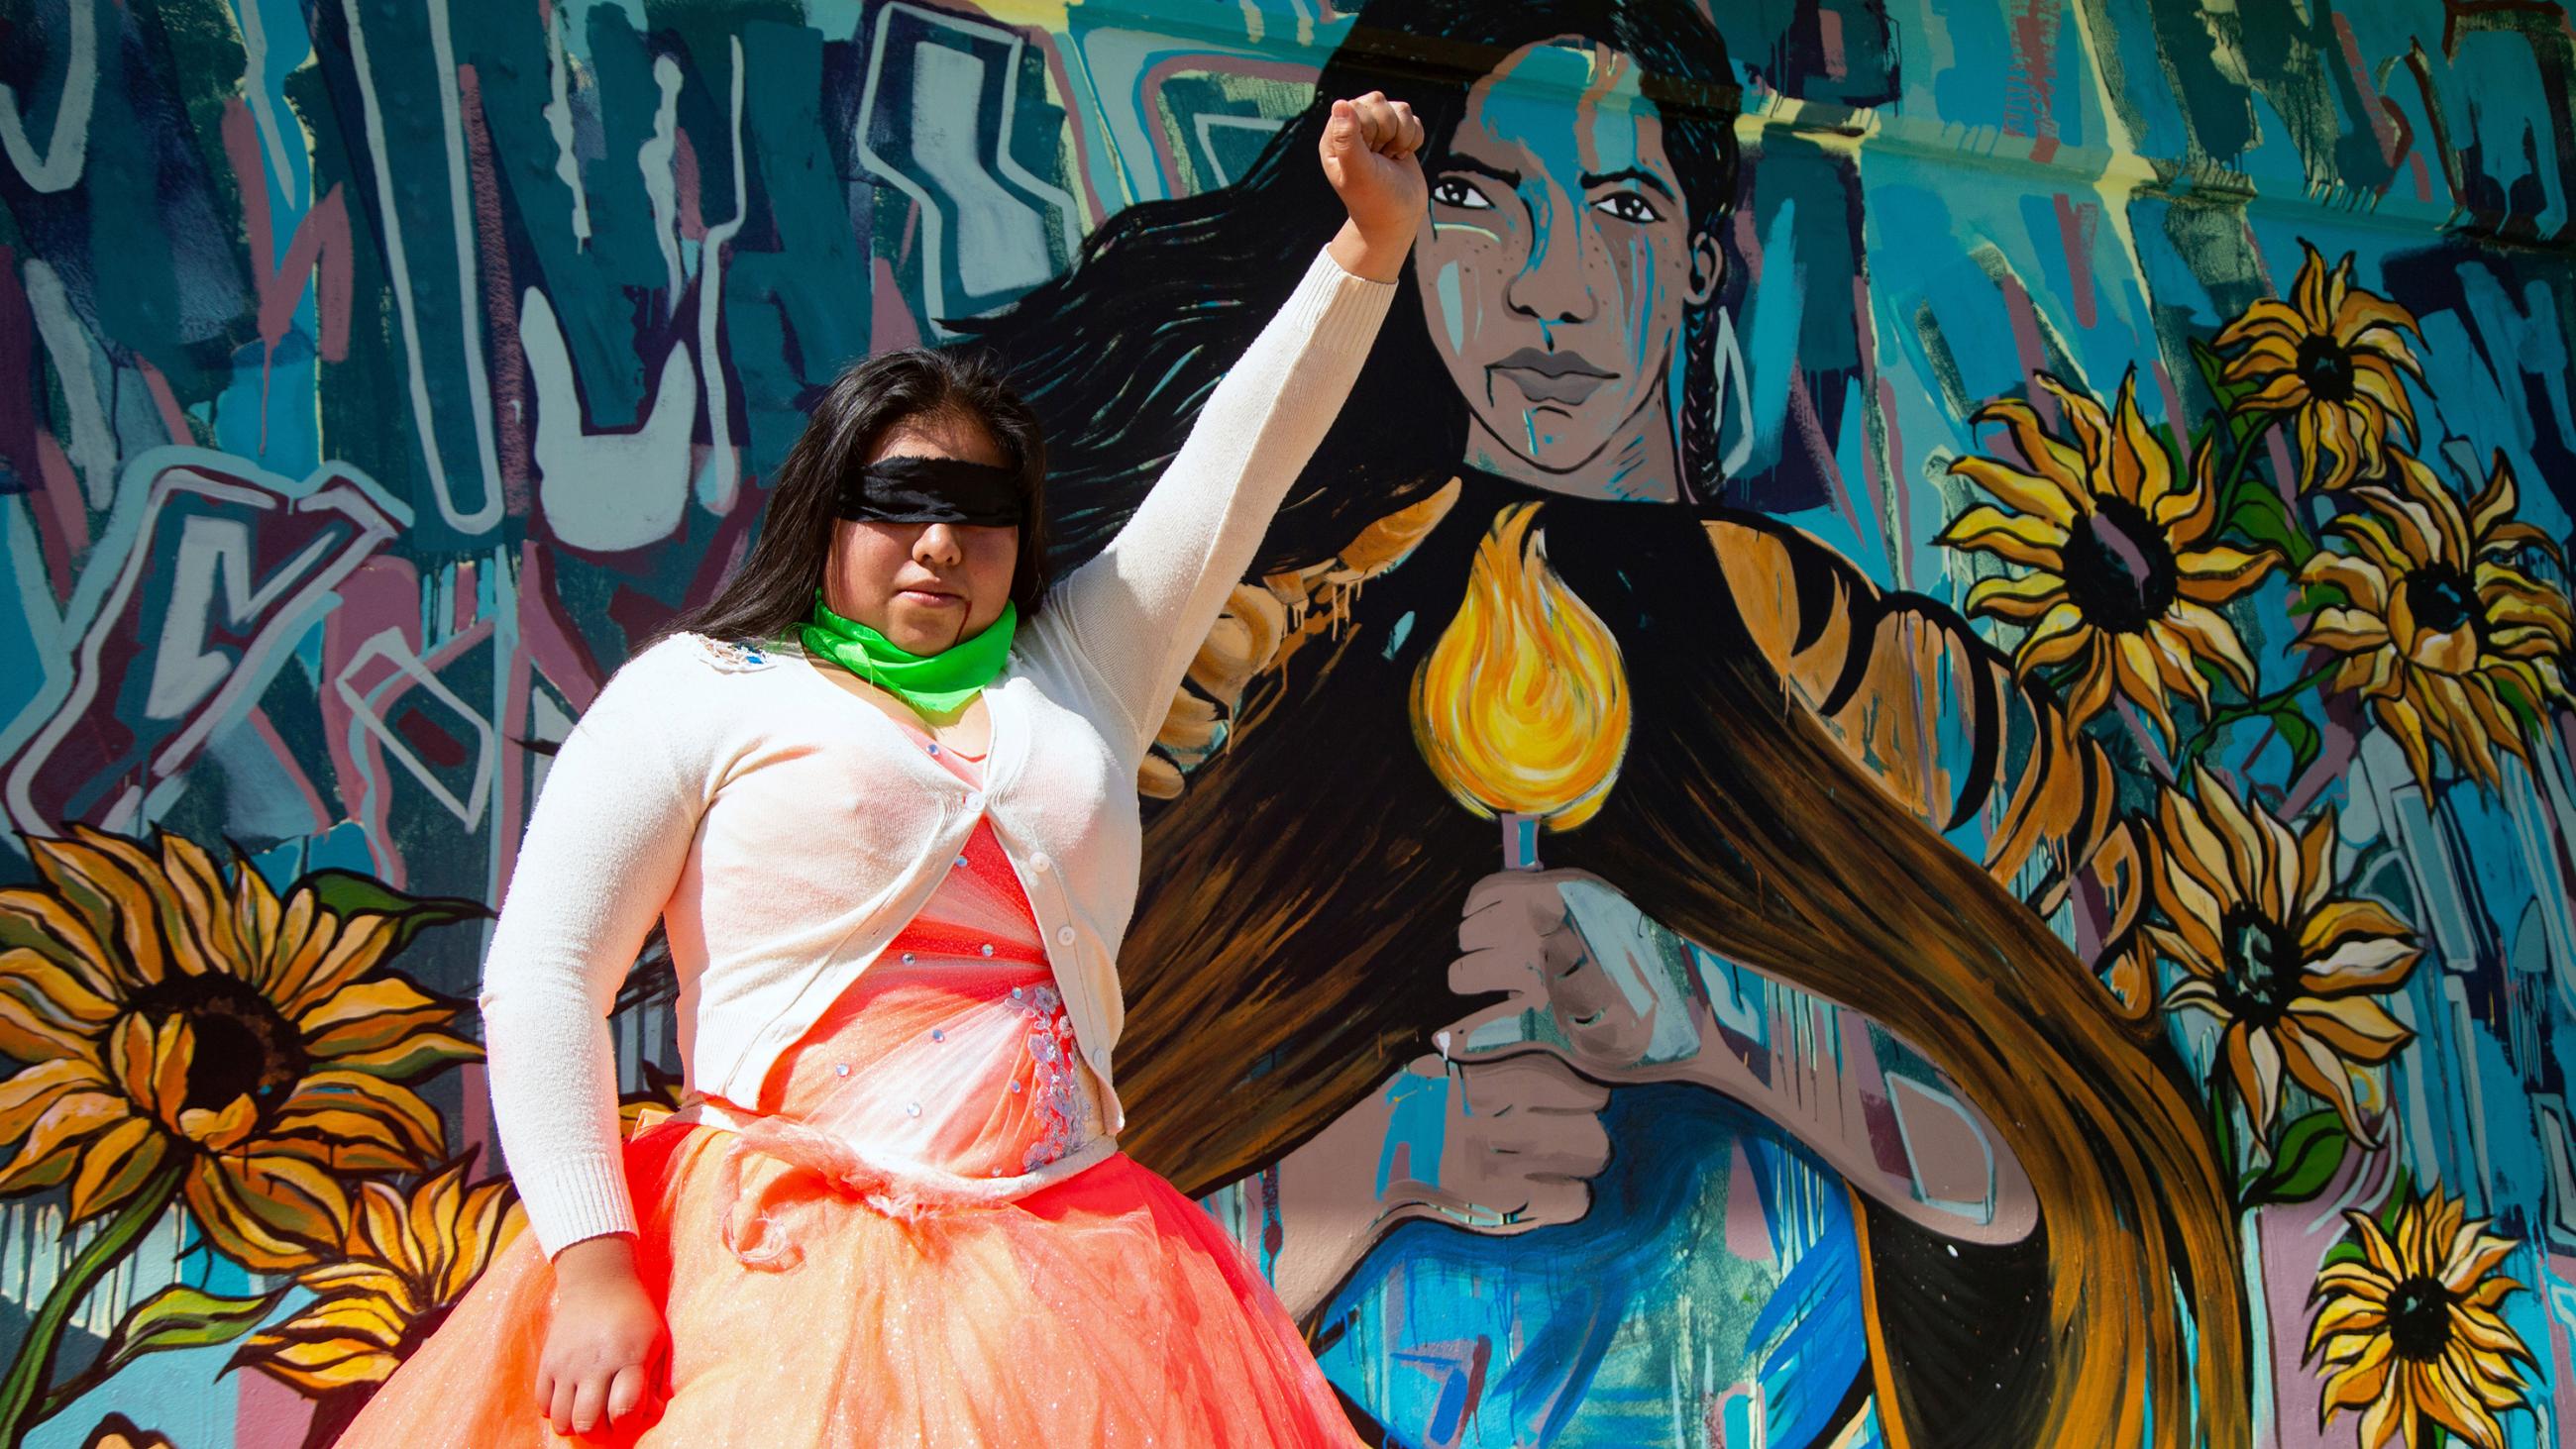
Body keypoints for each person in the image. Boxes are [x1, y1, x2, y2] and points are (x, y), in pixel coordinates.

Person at [960, 0, 2250, 1445]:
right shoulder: (1249, 675)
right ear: (1399, 238)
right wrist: (1380, 1158)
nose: (1550, 289)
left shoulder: (1875, 699)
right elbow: (1058, 1256)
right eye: (1473, 201)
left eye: (1621, 205)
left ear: (1705, 254)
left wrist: (1718, 1020)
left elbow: (2073, 1182)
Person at [331, 91, 1427, 1447]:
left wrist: (1368, 252)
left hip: (1069, 1277)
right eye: (896, 502)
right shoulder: (701, 691)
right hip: (768, 1273)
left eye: (977, 514)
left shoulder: (1078, 669)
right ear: (827, 514)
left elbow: (1238, 466)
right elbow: (547, 976)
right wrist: (593, 1264)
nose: (935, 543)